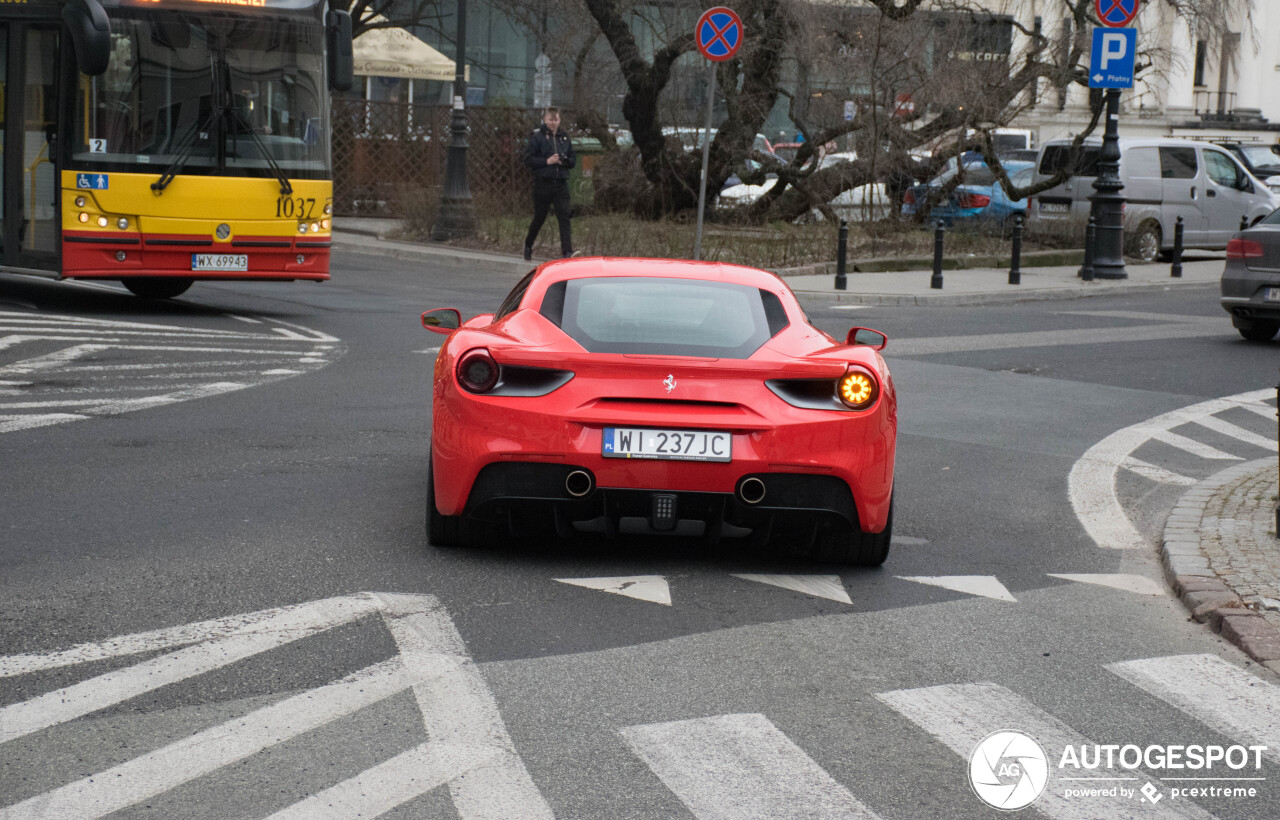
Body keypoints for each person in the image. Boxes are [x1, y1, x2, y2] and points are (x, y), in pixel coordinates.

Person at [522, 107, 577, 260]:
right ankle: (528, 244)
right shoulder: (537, 137)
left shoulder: (564, 138)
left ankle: (567, 251)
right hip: (542, 184)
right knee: (540, 217)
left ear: (560, 120)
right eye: (551, 120)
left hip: (560, 184)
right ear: (545, 120)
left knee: (564, 217)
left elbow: (573, 160)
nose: (553, 123)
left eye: (556, 120)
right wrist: (546, 161)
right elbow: (528, 160)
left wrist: (564, 160)